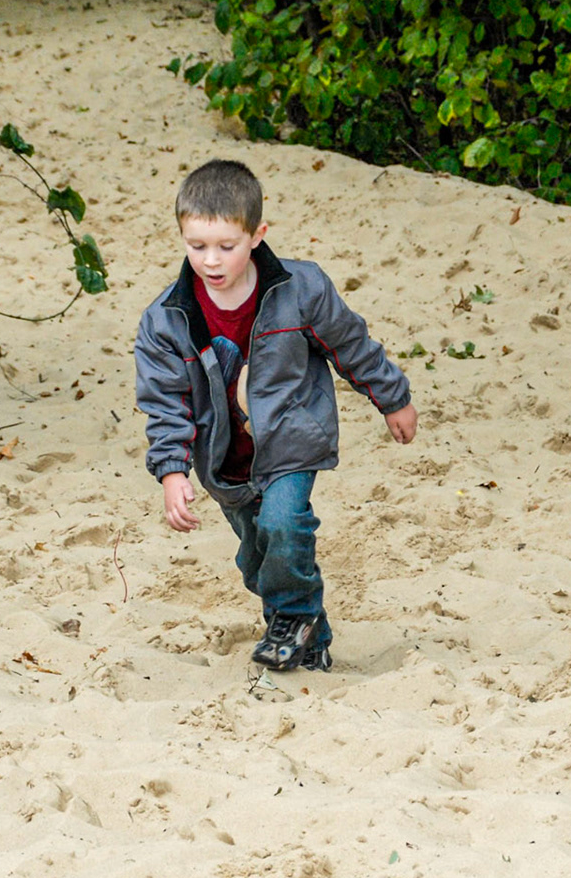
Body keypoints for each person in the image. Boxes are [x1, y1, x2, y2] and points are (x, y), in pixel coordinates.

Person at [134, 159, 418, 671]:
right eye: (197, 246)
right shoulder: (166, 319)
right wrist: (172, 470)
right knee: (258, 559)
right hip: (225, 460)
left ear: (257, 235)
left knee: (284, 525)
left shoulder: (301, 289)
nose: (211, 260)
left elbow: (350, 344)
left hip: (291, 438)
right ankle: (310, 638)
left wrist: (392, 397)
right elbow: (164, 400)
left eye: (226, 246)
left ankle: (293, 618)